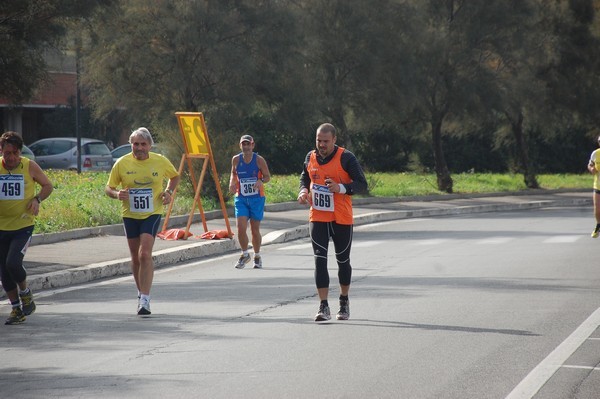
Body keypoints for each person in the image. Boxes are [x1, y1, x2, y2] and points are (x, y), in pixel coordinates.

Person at [105, 127, 180, 315]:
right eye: (135, 144)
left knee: (145, 254)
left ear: (150, 145)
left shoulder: (160, 161)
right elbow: (109, 187)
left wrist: (169, 193)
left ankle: (145, 299)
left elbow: (175, 176)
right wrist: (116, 194)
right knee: (135, 258)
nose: (139, 148)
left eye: (143, 144)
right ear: (131, 145)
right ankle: (141, 293)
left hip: (152, 213)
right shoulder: (121, 163)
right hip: (130, 214)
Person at [298, 123, 367, 322]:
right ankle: (323, 305)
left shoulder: (346, 157)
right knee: (320, 260)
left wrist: (341, 188)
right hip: (318, 216)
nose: (321, 145)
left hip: (341, 217)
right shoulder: (310, 157)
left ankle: (344, 300)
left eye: (326, 142)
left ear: (334, 140)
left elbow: (362, 184)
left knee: (342, 260)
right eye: (319, 141)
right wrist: (303, 191)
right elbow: (305, 177)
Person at [0, 131, 53, 325]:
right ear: (1, 151)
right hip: (1, 227)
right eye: (7, 153)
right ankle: (16, 309)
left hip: (23, 225)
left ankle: (25, 293)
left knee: (13, 263)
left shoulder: (29, 166)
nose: (11, 158)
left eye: (14, 153)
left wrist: (37, 199)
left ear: (20, 152)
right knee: (4, 272)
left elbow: (48, 185)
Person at [229, 134, 271, 269]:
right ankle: (245, 253)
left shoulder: (259, 160)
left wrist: (260, 181)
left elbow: (267, 176)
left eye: (248, 144)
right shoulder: (236, 159)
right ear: (240, 146)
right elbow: (233, 173)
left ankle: (257, 256)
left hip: (256, 198)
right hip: (241, 197)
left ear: (253, 145)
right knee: (240, 228)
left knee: (254, 229)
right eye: (244, 144)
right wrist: (232, 182)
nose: (246, 147)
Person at [589, 135, 600, 237]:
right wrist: (592, 169)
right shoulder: (595, 153)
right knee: (597, 209)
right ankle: (598, 225)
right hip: (598, 186)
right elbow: (590, 165)